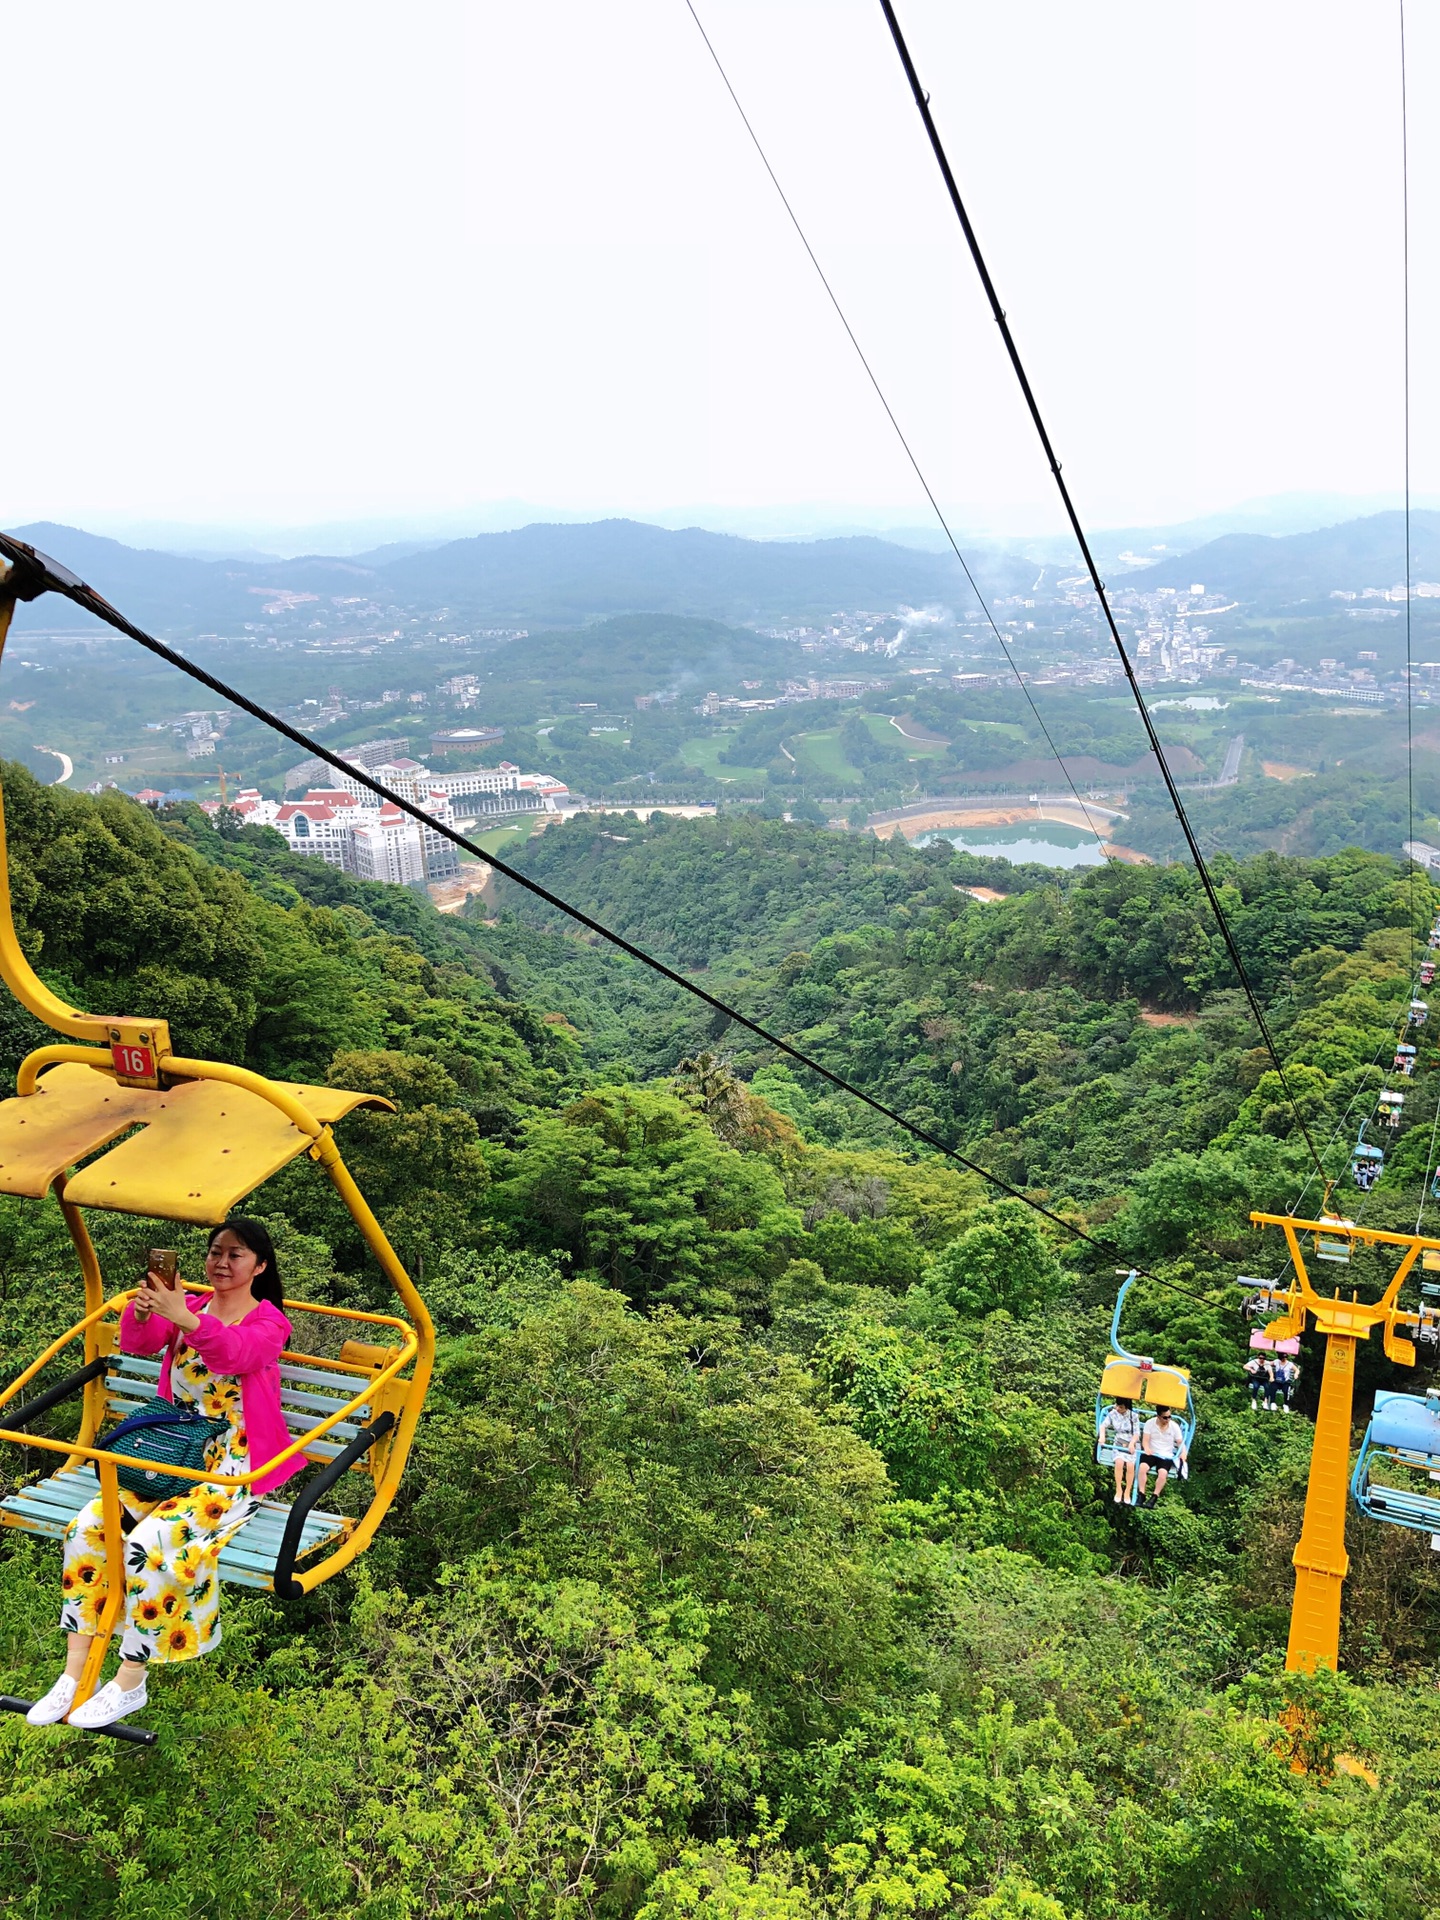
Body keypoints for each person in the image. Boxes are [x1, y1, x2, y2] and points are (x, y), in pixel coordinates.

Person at [25, 1219, 304, 1732]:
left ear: (259, 1267)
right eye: (215, 1252)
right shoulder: (190, 1306)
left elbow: (238, 1354)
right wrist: (146, 1308)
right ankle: (72, 1673)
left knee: (152, 1544)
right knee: (86, 1528)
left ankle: (131, 1678)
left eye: (235, 1255)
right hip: (171, 1448)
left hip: (230, 1463)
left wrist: (187, 1319)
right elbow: (139, 1343)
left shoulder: (269, 1322)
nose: (221, 1263)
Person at [1136, 1404, 1187, 1506]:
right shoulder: (1150, 1423)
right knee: (1142, 1468)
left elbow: (1180, 1443)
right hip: (1152, 1452)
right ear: (1158, 1417)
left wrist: (1184, 1453)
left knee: (1163, 1473)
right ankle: (1141, 1494)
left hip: (1166, 1454)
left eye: (1169, 1417)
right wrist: (1146, 1448)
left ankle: (1154, 1496)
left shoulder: (1174, 1426)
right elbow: (1145, 1441)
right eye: (1165, 1417)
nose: (1167, 1420)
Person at [1098, 1396, 1140, 1504]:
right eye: (1117, 1406)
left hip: (1131, 1442)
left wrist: (1132, 1443)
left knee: (1130, 1465)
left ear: (1126, 1407)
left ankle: (1127, 1491)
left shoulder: (1133, 1416)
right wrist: (1102, 1436)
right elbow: (1103, 1425)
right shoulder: (1113, 1414)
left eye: (1121, 1407)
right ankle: (1118, 1489)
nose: (1118, 1409)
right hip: (1119, 1441)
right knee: (1119, 1462)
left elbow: (1136, 1433)